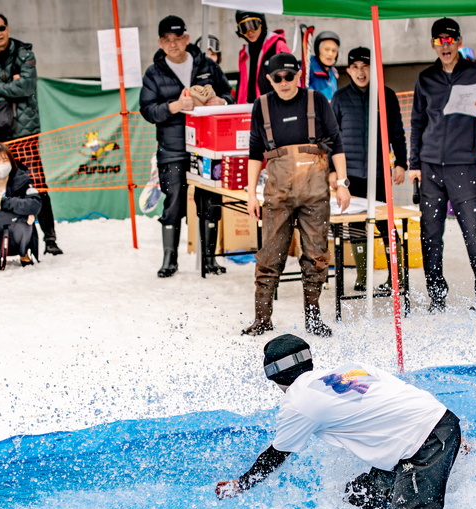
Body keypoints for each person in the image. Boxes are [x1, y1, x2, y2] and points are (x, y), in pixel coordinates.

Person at [215, 334, 476, 509]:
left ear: (273, 376)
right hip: (440, 424)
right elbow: (401, 394)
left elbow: (276, 454)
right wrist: (452, 435)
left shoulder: (297, 402)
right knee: (361, 494)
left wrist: (241, 484)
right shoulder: (350, 370)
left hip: (425, 444)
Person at [242, 52, 350, 338]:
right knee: (269, 257)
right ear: (269, 79)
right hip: (277, 194)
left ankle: (313, 319)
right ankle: (262, 318)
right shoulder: (262, 106)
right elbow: (254, 151)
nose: (284, 82)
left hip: (315, 194)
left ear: (299, 75)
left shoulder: (317, 100)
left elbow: (336, 142)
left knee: (316, 256)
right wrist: (251, 193)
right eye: (277, 78)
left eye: (289, 76)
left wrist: (342, 183)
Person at [408, 18, 476, 314]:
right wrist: (414, 164)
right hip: (430, 167)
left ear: (459, 42)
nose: (444, 46)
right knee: (430, 237)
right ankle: (436, 297)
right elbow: (417, 122)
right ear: (432, 44)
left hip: (463, 166)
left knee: (474, 234)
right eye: (439, 41)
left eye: (449, 40)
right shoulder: (425, 78)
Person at [139, 14, 232, 278]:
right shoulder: (154, 73)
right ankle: (170, 260)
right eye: (167, 40)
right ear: (160, 43)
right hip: (172, 149)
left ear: (187, 39)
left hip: (207, 146)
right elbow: (147, 110)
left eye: (178, 38)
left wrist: (221, 102)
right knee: (173, 203)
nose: (173, 44)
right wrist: (175, 106)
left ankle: (209, 259)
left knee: (210, 201)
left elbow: (229, 94)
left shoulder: (206, 65)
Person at [0, 12, 62, 256]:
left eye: (1, 28)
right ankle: (4, 237)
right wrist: (10, 88)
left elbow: (26, 86)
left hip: (25, 134)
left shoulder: (25, 54)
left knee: (37, 184)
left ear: (8, 29)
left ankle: (50, 238)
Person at [332, 46, 407, 294]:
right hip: (351, 175)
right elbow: (332, 138)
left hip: (380, 173)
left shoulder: (386, 96)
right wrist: (333, 172)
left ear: (373, 69)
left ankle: (397, 275)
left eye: (365, 67)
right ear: (348, 70)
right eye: (355, 67)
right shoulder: (340, 98)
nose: (360, 72)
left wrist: (401, 163)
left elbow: (397, 132)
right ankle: (363, 276)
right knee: (355, 226)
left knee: (386, 225)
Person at [234, 10, 290, 104]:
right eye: (244, 28)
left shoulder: (278, 46)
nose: (249, 32)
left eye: (253, 25)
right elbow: (242, 87)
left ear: (262, 24)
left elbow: (292, 80)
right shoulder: (244, 53)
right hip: (249, 108)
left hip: (273, 107)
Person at [307, 31, 339, 101]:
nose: (330, 54)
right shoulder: (307, 69)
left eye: (334, 51)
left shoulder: (333, 73)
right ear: (318, 50)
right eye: (326, 49)